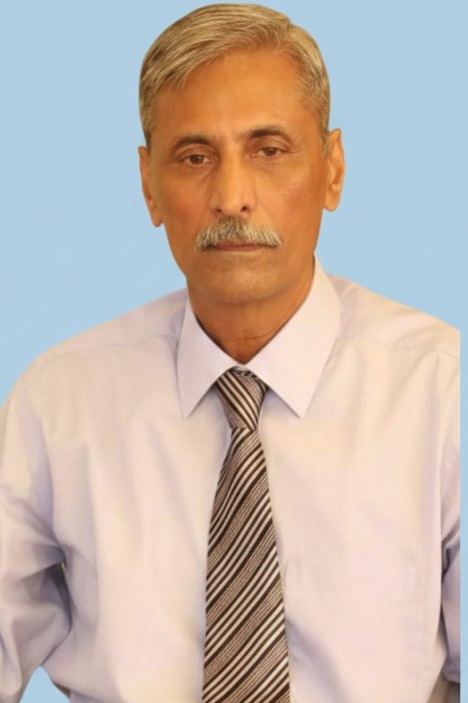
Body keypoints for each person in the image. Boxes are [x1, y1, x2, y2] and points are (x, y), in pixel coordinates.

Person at [0, 4, 459, 703]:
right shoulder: (59, 404)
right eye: (194, 157)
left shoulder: (441, 392)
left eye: (269, 150)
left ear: (333, 169)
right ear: (149, 184)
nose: (232, 197)